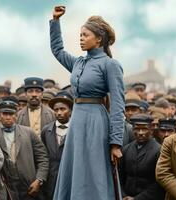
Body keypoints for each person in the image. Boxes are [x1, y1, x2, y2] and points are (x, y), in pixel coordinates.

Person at [50, 6, 125, 200]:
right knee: (75, 169)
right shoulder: (78, 63)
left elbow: (118, 105)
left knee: (94, 172)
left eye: (85, 35)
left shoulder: (110, 64)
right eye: (80, 35)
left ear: (98, 39)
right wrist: (55, 22)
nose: (81, 38)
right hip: (77, 122)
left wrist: (115, 142)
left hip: (96, 123)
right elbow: (57, 50)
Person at [0, 100, 49, 200]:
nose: (8, 117)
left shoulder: (28, 132)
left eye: (11, 114)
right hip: (6, 187)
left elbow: (43, 158)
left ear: (16, 115)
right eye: (4, 114)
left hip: (29, 186)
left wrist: (39, 180)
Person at [119, 114, 165, 200]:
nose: (140, 133)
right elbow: (120, 176)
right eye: (137, 129)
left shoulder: (158, 150)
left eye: (144, 129)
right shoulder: (126, 149)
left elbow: (159, 182)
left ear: (151, 130)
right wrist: (123, 195)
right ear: (132, 130)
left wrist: (137, 199)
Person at [41, 91, 73, 200]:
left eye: (63, 109)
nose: (59, 112)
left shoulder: (77, 130)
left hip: (71, 177)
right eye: (56, 110)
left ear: (70, 111)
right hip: (51, 179)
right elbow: (43, 155)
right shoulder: (46, 130)